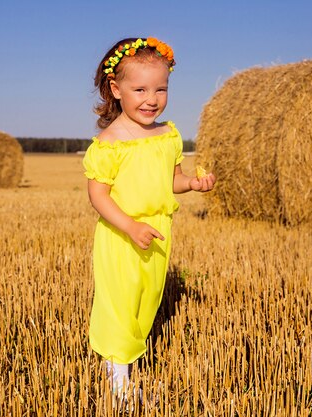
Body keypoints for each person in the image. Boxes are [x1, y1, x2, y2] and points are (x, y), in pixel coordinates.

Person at [83, 37, 216, 404]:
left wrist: (192, 183)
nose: (151, 98)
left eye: (160, 88)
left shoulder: (167, 136)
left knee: (146, 304)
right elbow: (98, 195)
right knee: (120, 304)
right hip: (122, 234)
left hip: (158, 232)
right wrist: (129, 226)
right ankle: (118, 385)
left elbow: (169, 181)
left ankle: (122, 368)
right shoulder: (109, 143)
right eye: (139, 89)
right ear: (116, 89)